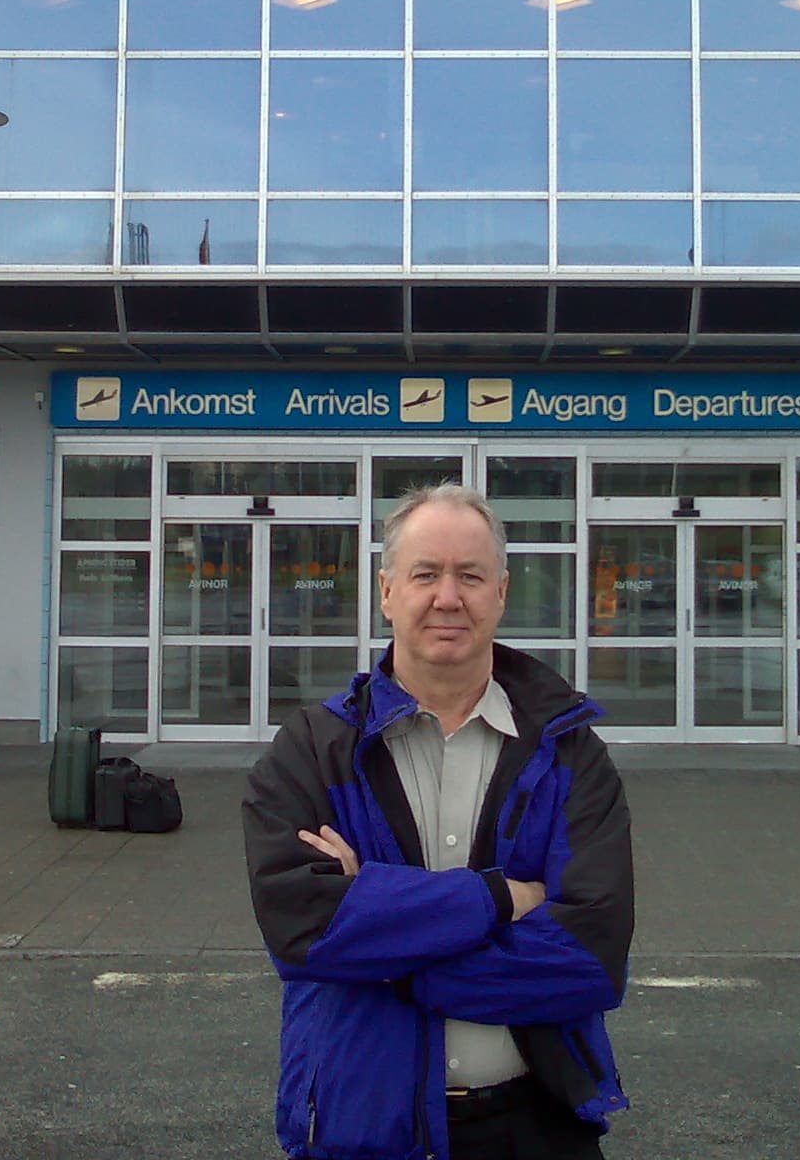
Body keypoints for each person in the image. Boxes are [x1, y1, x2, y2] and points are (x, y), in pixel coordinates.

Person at [243, 482, 634, 1160]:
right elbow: (302, 927)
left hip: (537, 1125)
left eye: (470, 576)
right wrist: (501, 898)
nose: (448, 597)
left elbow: (590, 959)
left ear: (501, 592)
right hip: (363, 1124)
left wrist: (388, 952)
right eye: (426, 574)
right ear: (388, 591)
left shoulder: (569, 752)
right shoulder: (311, 749)